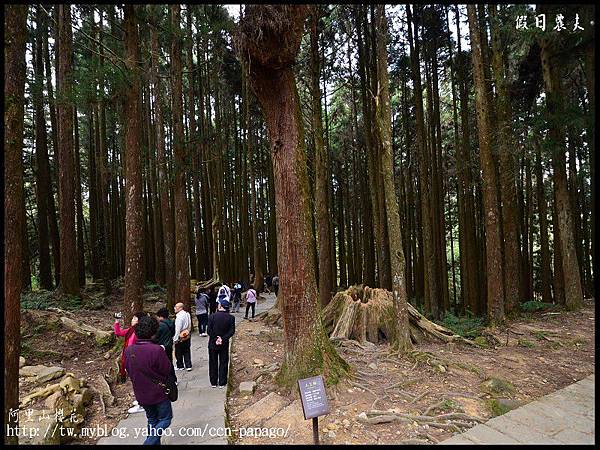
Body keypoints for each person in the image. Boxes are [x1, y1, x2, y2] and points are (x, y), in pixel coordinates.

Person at [125, 316, 173, 445]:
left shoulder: (129, 350)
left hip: (140, 392)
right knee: (165, 419)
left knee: (152, 420)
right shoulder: (156, 350)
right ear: (153, 332)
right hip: (158, 392)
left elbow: (128, 369)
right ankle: (149, 442)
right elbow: (166, 369)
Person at [114, 311, 147, 414]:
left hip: (136, 361)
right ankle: (141, 400)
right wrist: (116, 321)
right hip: (130, 360)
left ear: (139, 321)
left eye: (134, 318)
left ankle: (143, 404)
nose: (132, 320)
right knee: (136, 382)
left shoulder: (140, 332)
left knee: (139, 382)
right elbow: (118, 332)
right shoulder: (131, 331)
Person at [207, 299, 235, 388]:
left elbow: (209, 331)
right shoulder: (231, 317)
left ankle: (213, 382)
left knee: (213, 362)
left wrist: (216, 338)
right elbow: (231, 331)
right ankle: (222, 382)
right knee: (223, 362)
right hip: (224, 343)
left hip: (212, 343)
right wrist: (222, 338)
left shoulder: (212, 316)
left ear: (220, 306)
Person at [154, 308, 177, 382]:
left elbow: (155, 337)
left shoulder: (160, 325)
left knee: (163, 364)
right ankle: (174, 379)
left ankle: (167, 380)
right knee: (170, 362)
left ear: (160, 316)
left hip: (162, 346)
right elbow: (173, 333)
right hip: (169, 345)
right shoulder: (171, 322)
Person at [173, 302, 192, 371]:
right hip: (186, 334)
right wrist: (188, 331)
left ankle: (180, 365)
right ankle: (188, 365)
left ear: (180, 308)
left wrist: (175, 338)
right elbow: (190, 324)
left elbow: (177, 329)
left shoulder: (179, 317)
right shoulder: (187, 314)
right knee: (187, 350)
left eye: (176, 307)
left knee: (178, 351)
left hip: (180, 335)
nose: (174, 308)